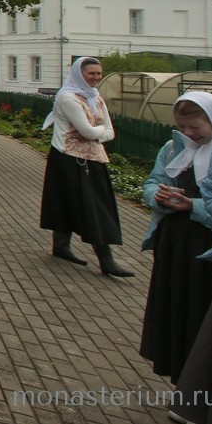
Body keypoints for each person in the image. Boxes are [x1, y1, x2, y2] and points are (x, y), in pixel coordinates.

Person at [138, 92, 212, 385]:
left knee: (200, 312)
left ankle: (200, 385)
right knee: (176, 309)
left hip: (207, 247)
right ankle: (183, 383)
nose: (188, 133)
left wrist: (192, 206)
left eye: (195, 127)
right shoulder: (174, 148)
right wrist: (159, 197)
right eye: (182, 126)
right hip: (174, 243)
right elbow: (152, 182)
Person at [39, 56, 134, 277]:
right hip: (68, 158)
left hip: (93, 159)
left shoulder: (95, 98)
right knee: (87, 206)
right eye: (91, 73)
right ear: (78, 74)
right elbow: (88, 131)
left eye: (99, 73)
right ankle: (105, 260)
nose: (96, 77)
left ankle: (62, 247)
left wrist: (97, 133)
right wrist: (99, 132)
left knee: (83, 203)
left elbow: (110, 131)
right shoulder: (68, 98)